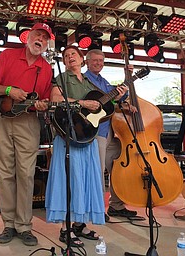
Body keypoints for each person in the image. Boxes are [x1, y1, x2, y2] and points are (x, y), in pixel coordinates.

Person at [0, 23, 53, 246]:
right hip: (3, 117)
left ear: (47, 44)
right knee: (5, 171)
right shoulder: (8, 55)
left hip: (28, 120)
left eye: (45, 38)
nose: (40, 40)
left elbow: (43, 98)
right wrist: (9, 90)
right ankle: (8, 224)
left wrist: (44, 105)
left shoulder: (47, 68)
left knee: (26, 174)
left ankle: (24, 225)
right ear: (28, 36)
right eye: (37, 35)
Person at [45, 45, 116, 247]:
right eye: (66, 56)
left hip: (88, 138)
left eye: (73, 54)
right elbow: (56, 99)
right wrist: (83, 104)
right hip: (68, 136)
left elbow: (105, 107)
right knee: (69, 179)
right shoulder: (62, 78)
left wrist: (118, 94)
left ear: (81, 58)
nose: (69, 58)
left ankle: (80, 224)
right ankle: (65, 229)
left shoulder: (88, 82)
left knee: (86, 180)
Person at [84, 49, 137, 220]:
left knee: (118, 168)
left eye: (101, 60)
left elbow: (117, 97)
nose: (98, 63)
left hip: (111, 131)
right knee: (98, 172)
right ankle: (98, 209)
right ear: (87, 62)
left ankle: (117, 205)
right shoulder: (85, 80)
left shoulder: (103, 81)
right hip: (97, 131)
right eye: (95, 61)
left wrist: (127, 80)